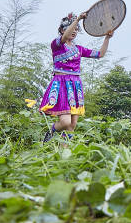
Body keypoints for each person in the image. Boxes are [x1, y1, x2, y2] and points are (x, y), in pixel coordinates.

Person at [41, 12, 112, 143]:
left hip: (75, 85)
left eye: (76, 30)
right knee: (65, 121)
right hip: (61, 84)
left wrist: (107, 38)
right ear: (62, 30)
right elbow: (65, 37)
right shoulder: (57, 44)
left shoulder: (78, 49)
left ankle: (64, 154)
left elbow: (100, 54)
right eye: (71, 29)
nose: (74, 31)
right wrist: (78, 19)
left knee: (72, 125)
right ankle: (51, 130)